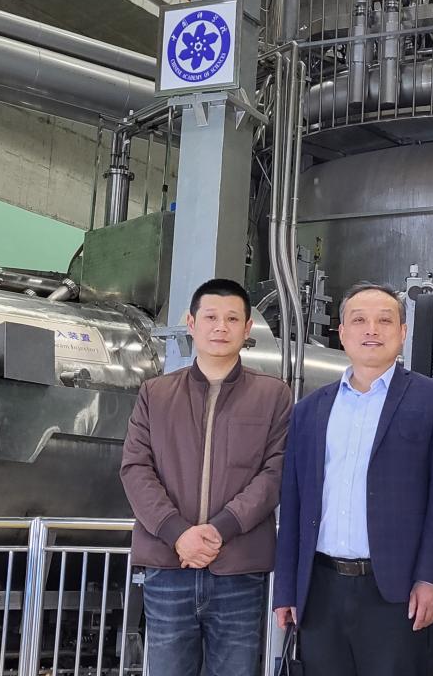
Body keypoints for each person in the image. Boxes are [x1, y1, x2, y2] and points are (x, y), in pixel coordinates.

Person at [273, 282, 433, 676]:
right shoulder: (309, 410)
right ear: (342, 333)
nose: (372, 330)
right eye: (359, 320)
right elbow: (293, 503)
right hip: (321, 590)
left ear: (403, 332)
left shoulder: (432, 399)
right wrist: (287, 588)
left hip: (395, 592)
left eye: (385, 321)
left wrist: (431, 578)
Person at [120, 278, 292, 676]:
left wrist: (220, 529)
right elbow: (135, 468)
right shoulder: (155, 394)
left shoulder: (273, 396)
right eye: (211, 317)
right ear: (191, 323)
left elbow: (275, 472)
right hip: (169, 566)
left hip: (239, 569)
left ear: (247, 329)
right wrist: (177, 532)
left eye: (232, 319)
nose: (220, 327)